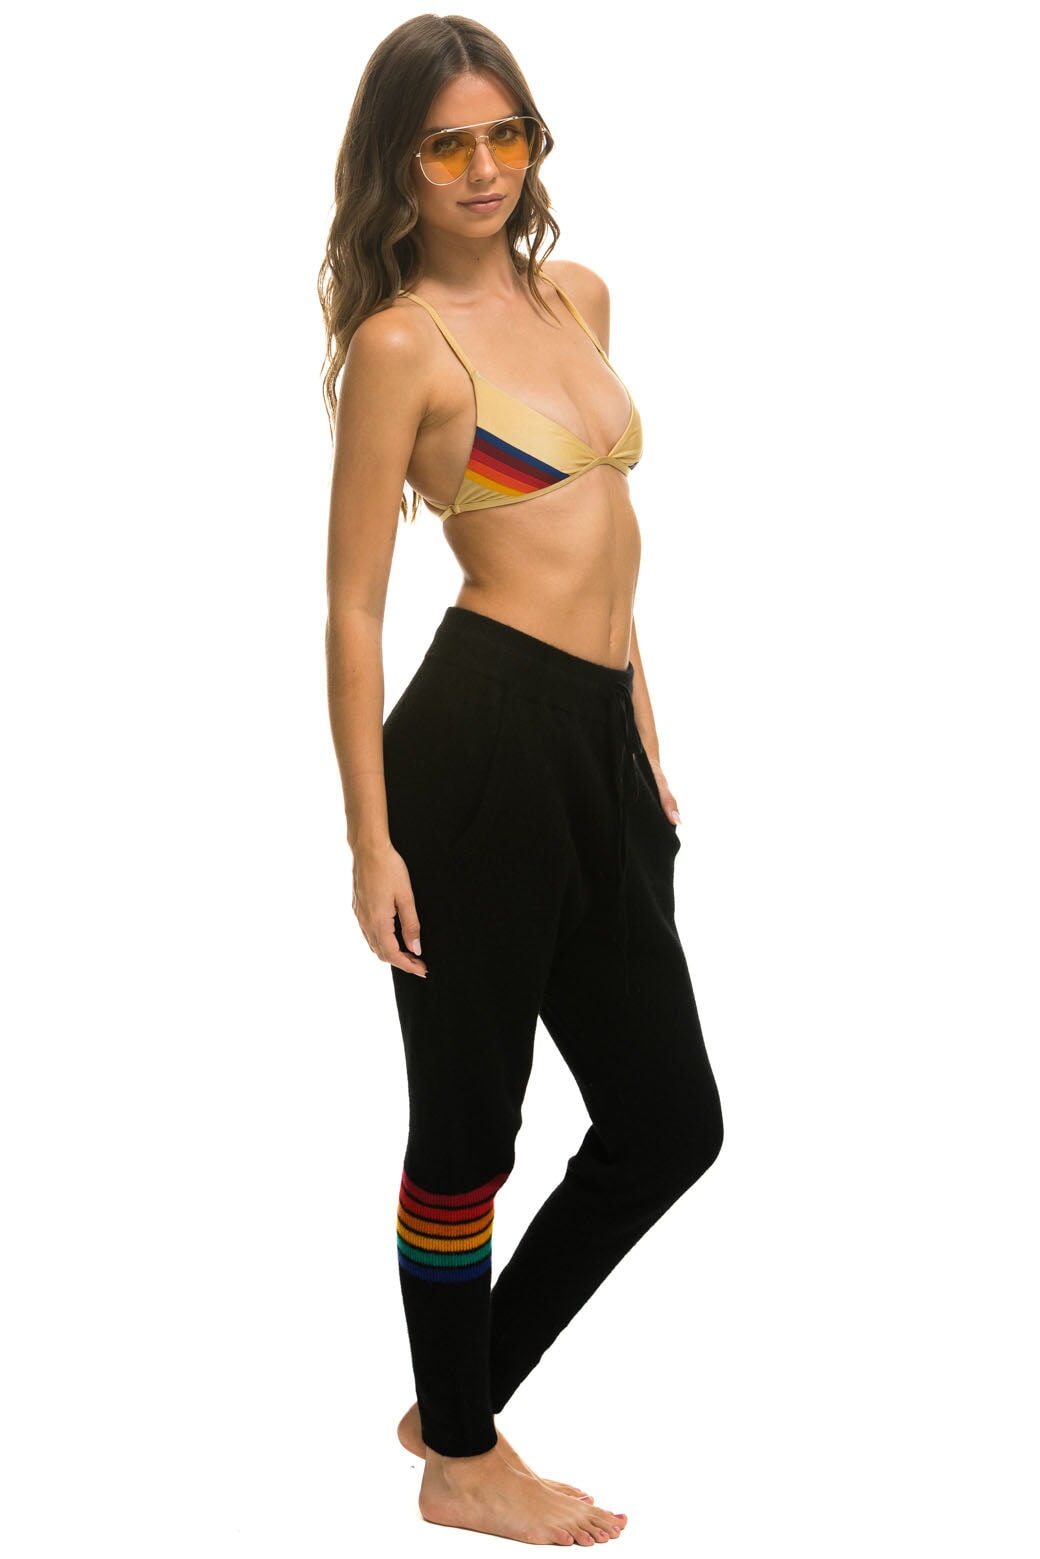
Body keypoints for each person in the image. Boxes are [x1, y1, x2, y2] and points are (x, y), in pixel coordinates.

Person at [319, 13, 724, 1547]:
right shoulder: (402, 346)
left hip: (596, 742)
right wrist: (370, 841)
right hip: (477, 748)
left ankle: (457, 1396)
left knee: (668, 1124)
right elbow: (353, 606)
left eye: (508, 134)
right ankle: (463, 1461)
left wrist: (643, 726)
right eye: (447, 144)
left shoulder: (578, 297)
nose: (484, 168)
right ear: (399, 167)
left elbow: (606, 547)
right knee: (469, 1130)